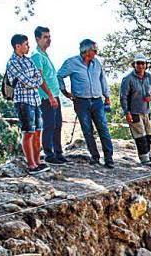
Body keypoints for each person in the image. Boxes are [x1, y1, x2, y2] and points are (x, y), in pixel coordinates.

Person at [59, 39, 115, 168]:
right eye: (94, 50)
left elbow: (102, 79)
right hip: (81, 101)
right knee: (87, 131)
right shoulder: (71, 63)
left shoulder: (97, 64)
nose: (96, 52)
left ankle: (109, 158)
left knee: (104, 129)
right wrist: (64, 91)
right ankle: (95, 157)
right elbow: (59, 75)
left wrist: (107, 96)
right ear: (86, 51)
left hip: (97, 101)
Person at [7, 34, 56, 174]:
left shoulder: (28, 61)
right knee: (28, 132)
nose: (28, 47)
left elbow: (39, 78)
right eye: (26, 44)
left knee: (37, 131)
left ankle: (38, 161)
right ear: (18, 46)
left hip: (35, 100)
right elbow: (27, 81)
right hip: (23, 101)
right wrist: (34, 81)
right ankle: (31, 164)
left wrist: (34, 81)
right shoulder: (12, 63)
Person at [31, 26, 66, 165]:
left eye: (49, 37)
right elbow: (39, 78)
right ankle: (49, 154)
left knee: (57, 125)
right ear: (37, 39)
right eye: (45, 37)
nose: (48, 40)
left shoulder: (45, 55)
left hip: (54, 95)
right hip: (46, 97)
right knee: (50, 125)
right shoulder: (36, 55)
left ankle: (58, 153)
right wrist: (50, 96)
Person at [120, 55, 151, 165]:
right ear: (134, 65)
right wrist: (127, 112)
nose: (141, 65)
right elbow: (123, 97)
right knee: (140, 135)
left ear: (146, 65)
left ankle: (149, 156)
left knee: (148, 135)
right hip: (134, 112)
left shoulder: (150, 77)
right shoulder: (128, 79)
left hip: (146, 111)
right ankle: (144, 159)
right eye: (138, 63)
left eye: (143, 63)